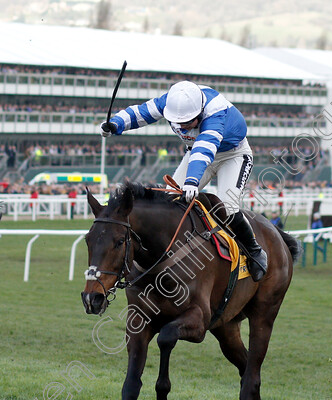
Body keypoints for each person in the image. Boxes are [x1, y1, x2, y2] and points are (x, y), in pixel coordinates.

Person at [100, 80, 267, 281]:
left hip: (232, 156)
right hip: (197, 153)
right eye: (178, 122)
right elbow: (140, 113)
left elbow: (204, 148)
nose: (183, 127)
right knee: (169, 201)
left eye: (188, 122)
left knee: (227, 208)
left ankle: (254, 250)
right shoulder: (170, 101)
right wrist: (115, 124)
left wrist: (192, 182)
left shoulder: (216, 112)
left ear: (200, 112)